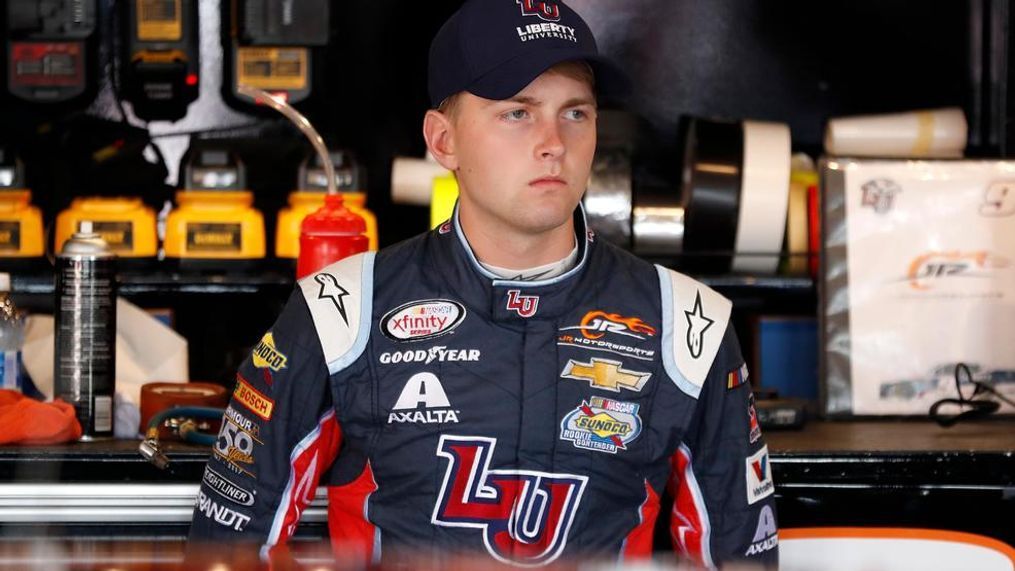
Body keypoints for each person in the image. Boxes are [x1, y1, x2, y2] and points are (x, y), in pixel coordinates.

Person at [188, 0, 779, 568]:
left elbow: (740, 559)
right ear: (443, 140)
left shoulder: (688, 322)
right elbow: (228, 549)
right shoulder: (340, 311)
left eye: (575, 112)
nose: (554, 142)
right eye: (517, 112)